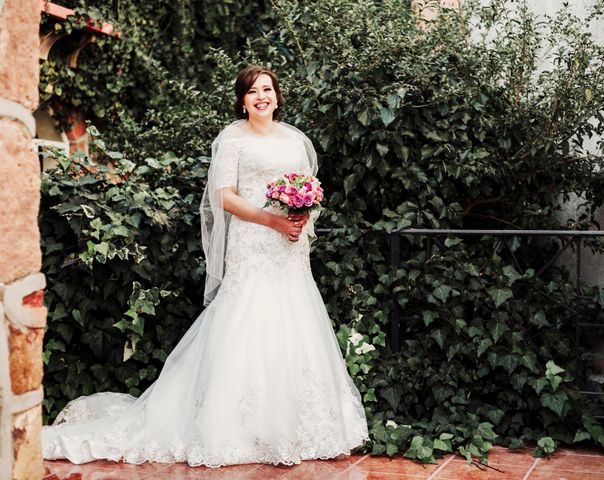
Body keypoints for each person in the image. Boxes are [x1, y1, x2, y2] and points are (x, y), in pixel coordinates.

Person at [42, 65, 369, 467]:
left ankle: (297, 427)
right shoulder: (233, 138)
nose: (261, 96)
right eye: (252, 92)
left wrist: (300, 221)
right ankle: (235, 429)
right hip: (252, 242)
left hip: (289, 248)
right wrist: (271, 220)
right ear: (243, 100)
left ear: (278, 96)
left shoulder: (294, 140)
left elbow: (308, 190)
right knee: (245, 322)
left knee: (293, 322)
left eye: (267, 89)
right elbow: (225, 197)